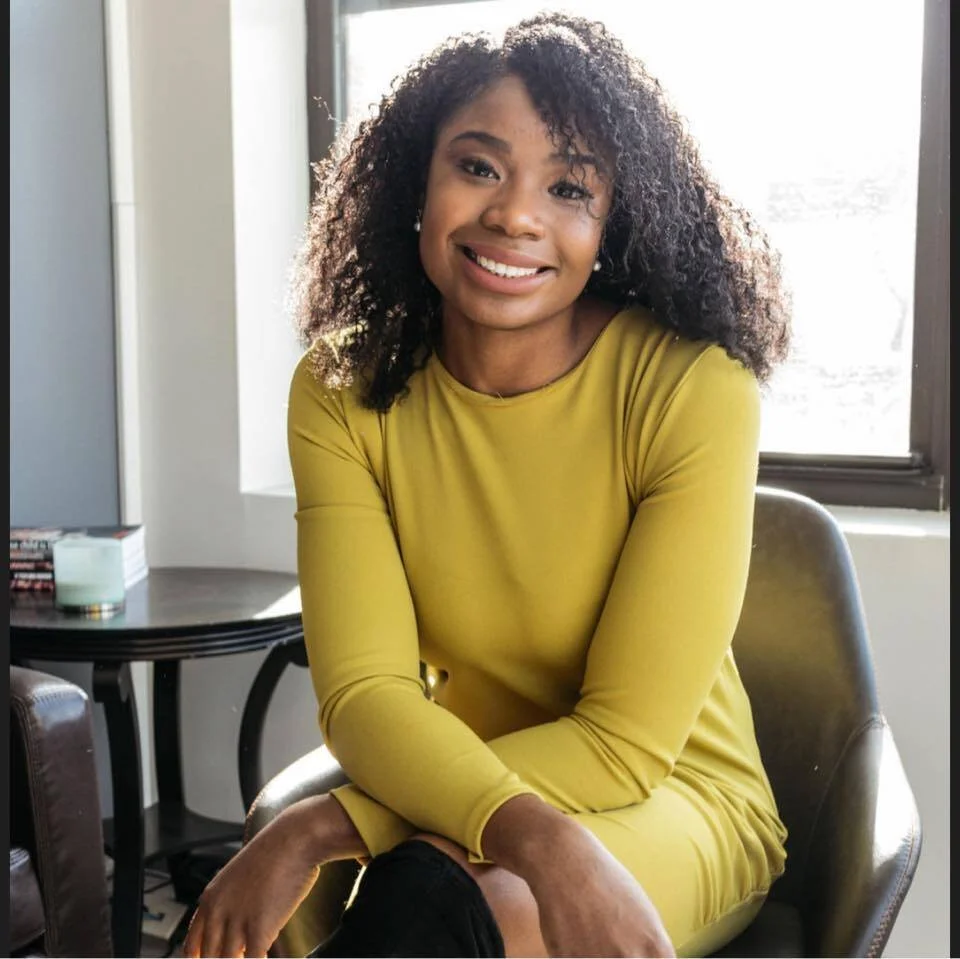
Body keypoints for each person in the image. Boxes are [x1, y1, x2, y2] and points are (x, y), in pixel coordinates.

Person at [183, 11, 791, 958]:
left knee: (457, 899)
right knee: (419, 891)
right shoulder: (342, 391)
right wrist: (518, 833)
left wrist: (324, 825)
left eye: (568, 187)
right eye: (478, 167)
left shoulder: (690, 387)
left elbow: (625, 741)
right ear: (415, 183)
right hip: (459, 792)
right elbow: (366, 697)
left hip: (672, 795)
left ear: (610, 221)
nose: (514, 214)